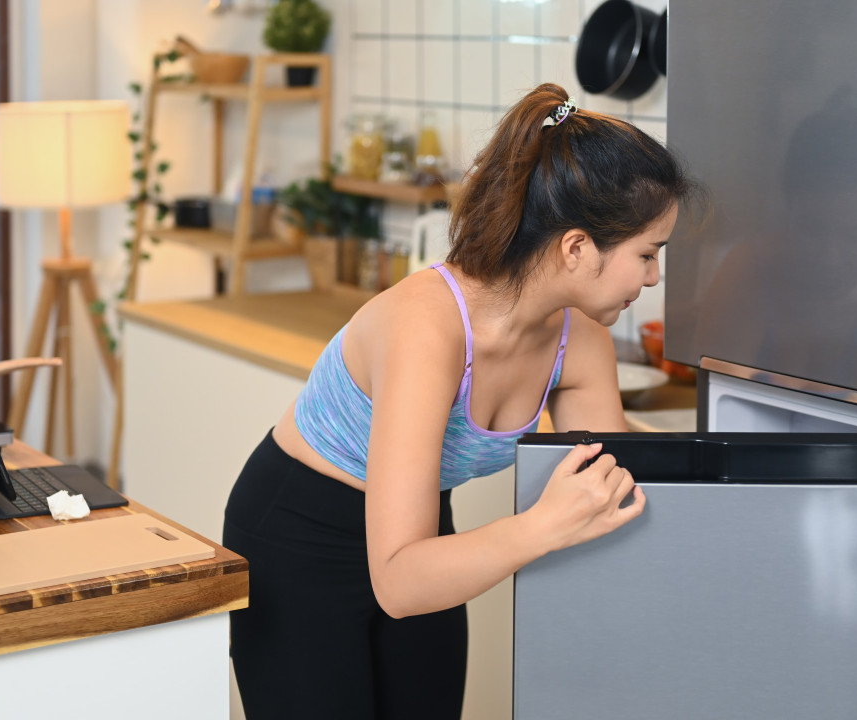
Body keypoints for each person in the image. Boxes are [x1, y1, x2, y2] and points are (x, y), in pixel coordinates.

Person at [223, 83, 699, 720]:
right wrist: (541, 526)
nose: (653, 278)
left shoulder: (579, 341)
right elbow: (398, 581)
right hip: (300, 535)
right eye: (647, 253)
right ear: (578, 247)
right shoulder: (429, 327)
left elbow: (611, 490)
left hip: (418, 534)